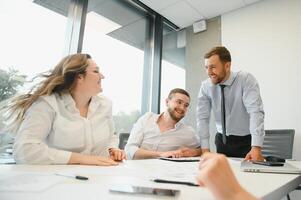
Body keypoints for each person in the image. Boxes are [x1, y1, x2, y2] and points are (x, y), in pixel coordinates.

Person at [2, 53, 125, 165]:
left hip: (100, 178)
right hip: (58, 180)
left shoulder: (106, 104)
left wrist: (112, 148)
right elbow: (24, 150)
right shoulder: (47, 104)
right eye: (96, 71)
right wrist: (83, 159)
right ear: (79, 77)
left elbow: (111, 136)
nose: (102, 76)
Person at [197, 46, 264, 161]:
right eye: (206, 67)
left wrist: (256, 147)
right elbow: (202, 118)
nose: (209, 72)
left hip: (245, 142)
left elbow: (255, 112)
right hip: (221, 141)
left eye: (213, 67)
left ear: (227, 66)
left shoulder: (245, 79)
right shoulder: (206, 86)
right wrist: (205, 149)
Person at [125, 88, 202, 159]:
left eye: (186, 105)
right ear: (167, 102)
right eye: (179, 102)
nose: (182, 108)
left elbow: (203, 150)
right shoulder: (147, 119)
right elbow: (129, 150)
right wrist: (162, 154)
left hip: (164, 172)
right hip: (137, 171)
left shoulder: (188, 132)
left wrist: (193, 152)